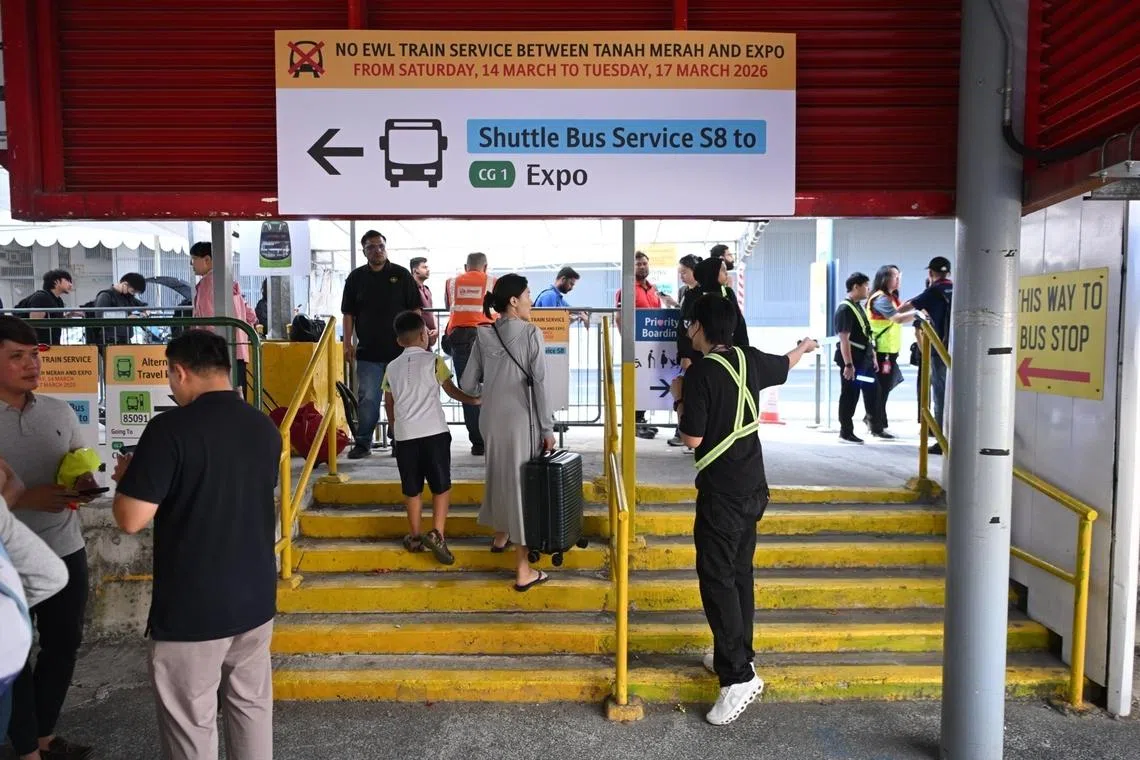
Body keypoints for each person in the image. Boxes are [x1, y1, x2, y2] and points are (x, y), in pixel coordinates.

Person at [111, 329, 281, 760]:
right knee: (252, 709)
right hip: (256, 599)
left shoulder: (170, 429)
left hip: (193, 608)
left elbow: (131, 519)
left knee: (191, 724)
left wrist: (126, 481)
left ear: (180, 372)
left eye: (171, 377)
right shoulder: (263, 426)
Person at [670, 294, 817, 725]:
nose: (687, 332)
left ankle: (737, 677)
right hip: (754, 487)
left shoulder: (699, 376)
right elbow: (785, 365)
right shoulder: (748, 359)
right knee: (739, 573)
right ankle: (734, 651)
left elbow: (692, 440)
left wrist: (680, 398)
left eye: (689, 325)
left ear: (698, 327)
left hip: (722, 494)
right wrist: (804, 347)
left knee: (717, 579)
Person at [0, 315, 100, 760]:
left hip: (64, 551)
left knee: (63, 646)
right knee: (13, 654)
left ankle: (42, 736)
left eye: (34, 355)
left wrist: (82, 488)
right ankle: (25, 749)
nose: (31, 365)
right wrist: (23, 499)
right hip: (8, 559)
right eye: (16, 357)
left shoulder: (60, 412)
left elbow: (79, 468)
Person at [459, 274, 555, 590]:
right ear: (513, 301)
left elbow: (469, 385)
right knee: (520, 488)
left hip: (490, 418)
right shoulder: (531, 333)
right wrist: (547, 427)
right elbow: (539, 383)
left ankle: (500, 534)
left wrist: (489, 389)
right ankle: (523, 570)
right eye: (527, 294)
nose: (530, 299)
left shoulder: (483, 335)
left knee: (500, 475)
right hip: (520, 419)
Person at [383, 311, 481, 566]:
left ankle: (415, 537)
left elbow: (389, 400)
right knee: (441, 486)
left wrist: (394, 428)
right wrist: (474, 400)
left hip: (405, 436)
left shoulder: (391, 367)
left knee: (412, 488)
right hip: (434, 433)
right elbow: (451, 390)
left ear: (398, 341)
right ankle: (437, 533)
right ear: (424, 335)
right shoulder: (435, 361)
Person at [0, 457, 69, 737]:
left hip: (61, 543)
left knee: (62, 646)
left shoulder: (58, 412)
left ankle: (37, 739)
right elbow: (49, 576)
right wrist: (14, 499)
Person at [341, 230, 423, 460]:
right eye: (371, 247)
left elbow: (415, 309)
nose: (377, 250)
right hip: (369, 352)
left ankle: (399, 440)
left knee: (400, 398)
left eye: (380, 246)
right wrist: (348, 344)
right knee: (368, 398)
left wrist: (419, 340)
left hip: (401, 351)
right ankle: (363, 441)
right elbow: (348, 314)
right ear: (364, 251)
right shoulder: (356, 278)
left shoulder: (401, 275)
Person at [616, 251, 679, 440]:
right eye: (638, 264)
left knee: (647, 382)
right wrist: (628, 342)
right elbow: (619, 318)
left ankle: (641, 419)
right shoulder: (626, 289)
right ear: (631, 267)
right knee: (636, 382)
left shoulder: (653, 289)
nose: (642, 267)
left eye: (644, 263)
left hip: (653, 345)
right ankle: (634, 422)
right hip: (636, 344)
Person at [190, 242, 259, 393]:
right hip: (238, 349)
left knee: (220, 394)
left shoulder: (207, 284)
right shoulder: (230, 281)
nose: (191, 264)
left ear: (207, 259)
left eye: (194, 259)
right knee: (239, 393)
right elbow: (251, 315)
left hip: (218, 351)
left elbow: (207, 320)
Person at [445, 252, 496, 456]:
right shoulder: (494, 282)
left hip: (461, 338)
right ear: (485, 266)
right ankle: (494, 438)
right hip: (490, 337)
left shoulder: (451, 282)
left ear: (466, 266)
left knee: (468, 389)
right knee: (493, 388)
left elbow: (451, 307)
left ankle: (478, 442)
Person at [904, 256, 954, 455]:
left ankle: (941, 438)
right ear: (948, 272)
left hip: (938, 350)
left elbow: (904, 309)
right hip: (956, 348)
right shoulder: (955, 288)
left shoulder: (933, 291)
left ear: (931, 273)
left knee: (940, 395)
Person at [866, 265, 916, 435]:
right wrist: (919, 315)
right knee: (880, 390)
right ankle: (876, 425)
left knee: (885, 388)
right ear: (885, 278)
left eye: (899, 275)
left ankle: (876, 419)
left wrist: (917, 303)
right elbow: (897, 318)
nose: (898, 279)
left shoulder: (890, 297)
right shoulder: (880, 299)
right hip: (881, 352)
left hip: (889, 351)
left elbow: (900, 310)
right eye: (895, 276)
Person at [835, 272, 881, 444]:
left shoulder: (857, 306)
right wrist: (848, 365)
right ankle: (845, 432)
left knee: (873, 389)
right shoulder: (845, 309)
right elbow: (844, 339)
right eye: (866, 286)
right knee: (850, 394)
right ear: (856, 287)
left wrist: (873, 357)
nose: (868, 289)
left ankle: (874, 423)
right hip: (853, 361)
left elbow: (866, 334)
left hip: (864, 359)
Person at [693, 257, 749, 348]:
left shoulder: (728, 293)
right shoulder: (696, 297)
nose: (726, 273)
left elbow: (740, 324)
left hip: (729, 349)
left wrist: (744, 348)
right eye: (723, 270)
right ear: (712, 273)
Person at [88, 273, 148, 346]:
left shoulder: (127, 297)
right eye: (132, 291)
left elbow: (142, 306)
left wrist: (146, 311)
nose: (133, 294)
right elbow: (100, 318)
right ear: (125, 284)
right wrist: (126, 319)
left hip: (125, 340)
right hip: (109, 341)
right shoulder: (105, 296)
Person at [18, 270, 75, 346]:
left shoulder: (58, 301)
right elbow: (35, 323)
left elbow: (51, 319)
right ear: (56, 281)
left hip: (52, 345)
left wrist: (67, 316)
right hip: (39, 347)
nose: (70, 284)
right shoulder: (41, 297)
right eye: (67, 280)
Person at [409, 256, 438, 349]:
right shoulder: (410, 290)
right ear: (415, 271)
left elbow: (432, 313)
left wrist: (436, 330)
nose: (428, 270)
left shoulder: (426, 289)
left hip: (428, 337)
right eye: (424, 267)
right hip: (417, 336)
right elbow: (412, 313)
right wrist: (426, 331)